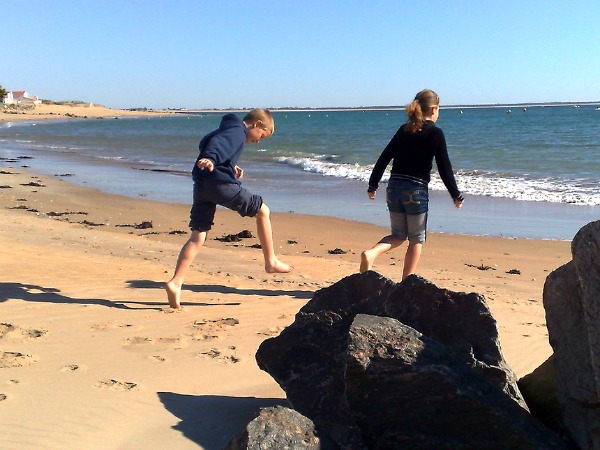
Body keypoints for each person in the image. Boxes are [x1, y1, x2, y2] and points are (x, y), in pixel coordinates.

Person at [165, 108, 292, 309]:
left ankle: (176, 282)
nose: (258, 141)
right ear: (256, 124)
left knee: (198, 236)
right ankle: (271, 261)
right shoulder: (236, 131)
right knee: (263, 211)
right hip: (219, 186)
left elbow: (207, 141)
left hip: (202, 186)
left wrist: (228, 166)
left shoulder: (227, 128)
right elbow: (216, 146)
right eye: (261, 135)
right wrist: (211, 159)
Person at [360, 89, 464, 279]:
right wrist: (456, 194)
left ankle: (372, 253)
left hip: (394, 188)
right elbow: (444, 168)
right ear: (433, 109)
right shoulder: (436, 133)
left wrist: (373, 184)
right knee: (416, 240)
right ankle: (406, 283)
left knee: (398, 235)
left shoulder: (404, 129)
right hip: (415, 191)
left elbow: (384, 157)